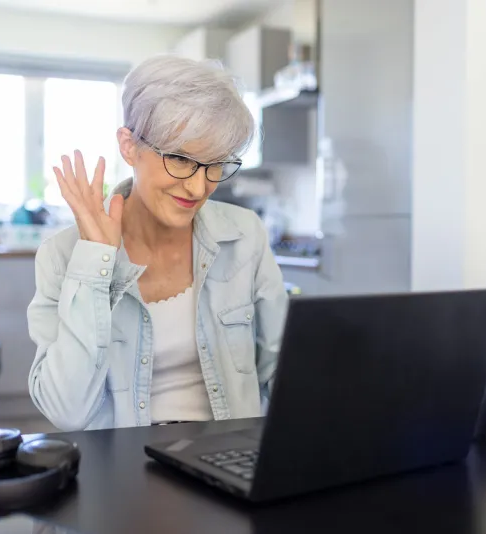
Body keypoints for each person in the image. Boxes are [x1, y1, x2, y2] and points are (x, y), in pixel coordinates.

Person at [27, 55, 289, 431]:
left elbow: (281, 371)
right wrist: (95, 261)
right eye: (181, 160)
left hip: (229, 459)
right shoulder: (61, 257)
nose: (199, 187)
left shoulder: (245, 235)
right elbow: (67, 413)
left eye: (216, 164)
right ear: (129, 146)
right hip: (123, 471)